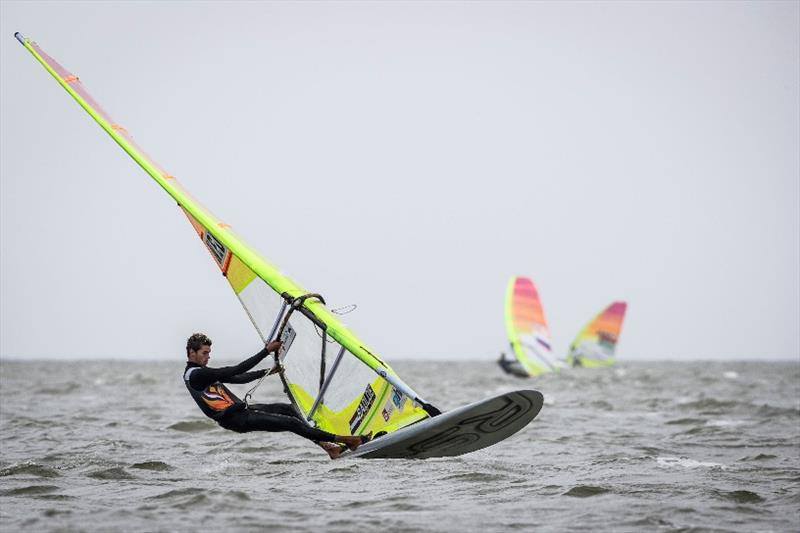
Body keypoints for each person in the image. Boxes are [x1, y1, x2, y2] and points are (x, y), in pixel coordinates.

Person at [183, 332, 369, 459]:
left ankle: (328, 448)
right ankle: (346, 440)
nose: (208, 357)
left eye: (209, 353)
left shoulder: (201, 372)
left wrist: (267, 371)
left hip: (242, 412)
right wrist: (266, 351)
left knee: (286, 409)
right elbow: (234, 369)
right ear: (192, 353)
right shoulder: (197, 374)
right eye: (204, 353)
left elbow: (239, 377)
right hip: (237, 419)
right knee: (291, 424)